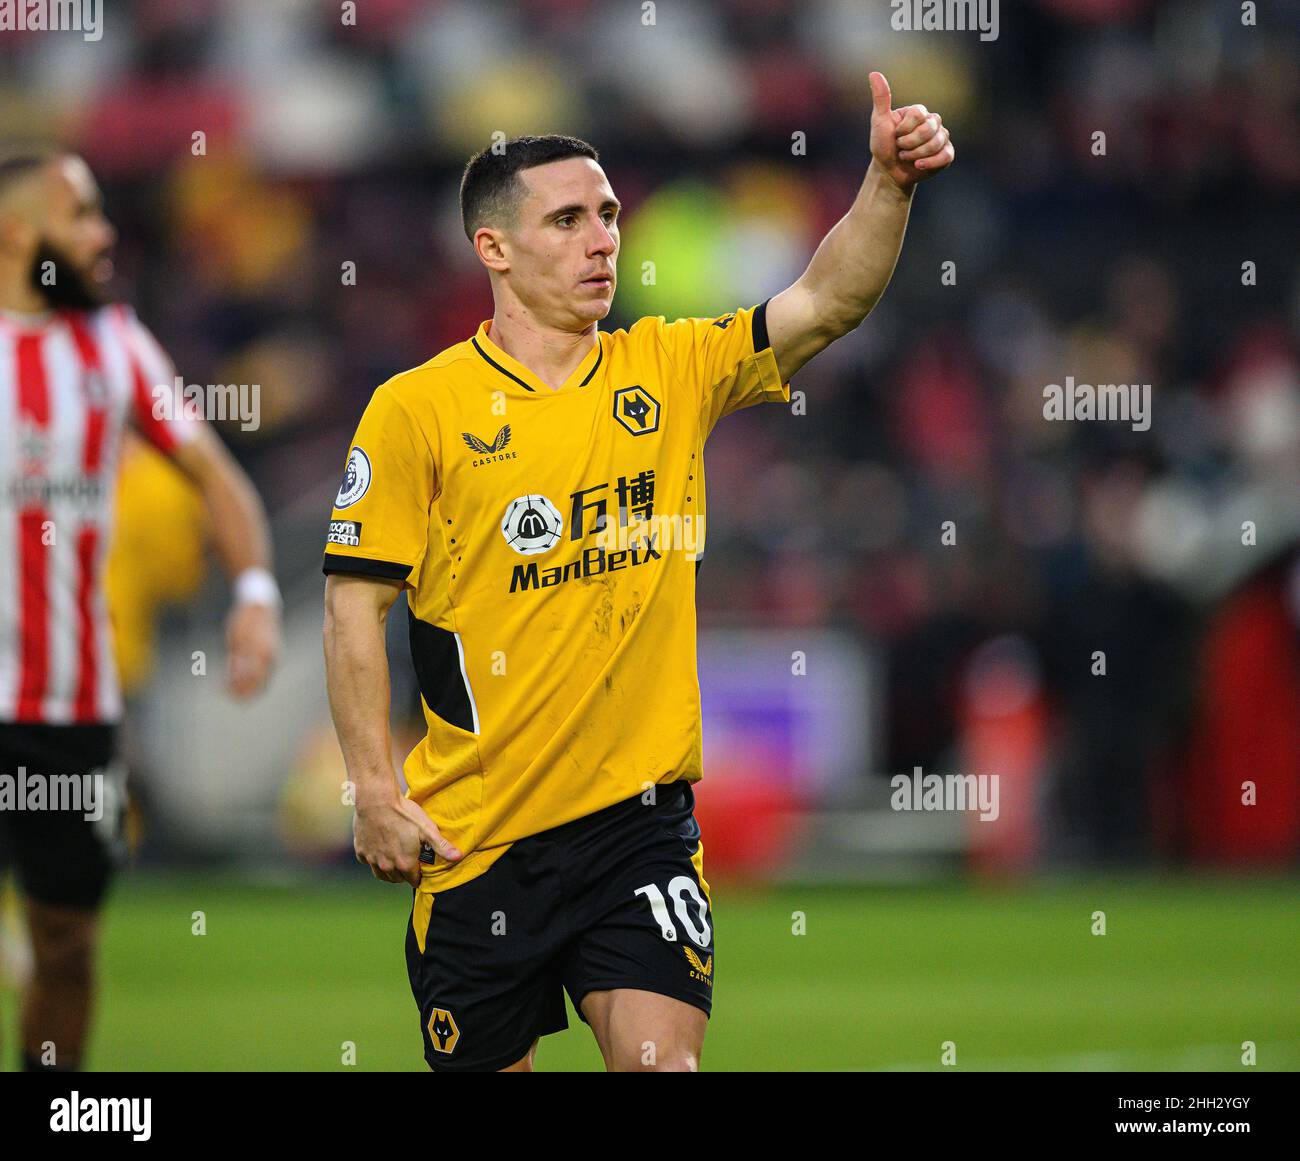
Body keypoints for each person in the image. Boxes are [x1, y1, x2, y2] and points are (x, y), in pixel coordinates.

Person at [323, 72, 953, 1072]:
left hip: (638, 830)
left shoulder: (668, 366)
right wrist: (371, 786)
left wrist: (887, 183)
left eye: (609, 214)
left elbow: (828, 300)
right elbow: (354, 602)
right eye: (567, 219)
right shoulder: (417, 410)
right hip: (478, 838)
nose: (602, 237)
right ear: (493, 248)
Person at [0, 148, 282, 1071]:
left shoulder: (114, 345)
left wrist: (253, 590)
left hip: (70, 709)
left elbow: (216, 476)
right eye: (80, 213)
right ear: (18, 232)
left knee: (68, 944)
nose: (104, 231)